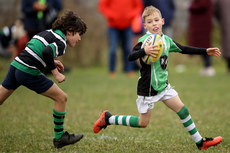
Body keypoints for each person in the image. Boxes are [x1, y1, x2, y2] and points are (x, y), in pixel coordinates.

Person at [93, 6, 222, 150]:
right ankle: (108, 118)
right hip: (148, 88)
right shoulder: (145, 40)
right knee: (143, 123)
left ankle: (200, 142)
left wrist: (205, 51)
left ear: (162, 21)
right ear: (145, 25)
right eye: (149, 22)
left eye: (156, 20)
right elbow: (130, 56)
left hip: (163, 86)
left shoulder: (166, 40)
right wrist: (144, 51)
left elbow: (183, 49)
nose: (154, 24)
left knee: (183, 110)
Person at [0, 10, 87, 149]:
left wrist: (51, 61)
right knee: (61, 98)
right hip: (27, 71)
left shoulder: (49, 32)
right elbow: (46, 51)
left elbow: (39, 49)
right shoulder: (61, 42)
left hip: (16, 65)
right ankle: (60, 138)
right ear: (70, 30)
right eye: (79, 34)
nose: (80, 38)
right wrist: (56, 73)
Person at [98, 0, 143, 78]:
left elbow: (138, 7)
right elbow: (102, 6)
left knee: (128, 48)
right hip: (113, 25)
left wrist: (130, 15)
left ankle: (129, 70)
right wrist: (112, 15)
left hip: (128, 25)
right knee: (112, 48)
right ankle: (112, 71)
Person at [188, 0, 216, 76]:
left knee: (205, 45)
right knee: (201, 45)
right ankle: (206, 66)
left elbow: (201, 6)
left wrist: (190, 6)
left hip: (203, 24)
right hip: (200, 24)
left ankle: (208, 66)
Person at [214, 0, 230, 74]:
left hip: (226, 23)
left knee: (228, 45)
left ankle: (229, 68)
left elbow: (215, 10)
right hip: (226, 23)